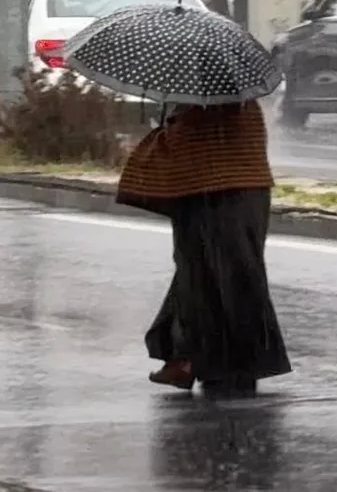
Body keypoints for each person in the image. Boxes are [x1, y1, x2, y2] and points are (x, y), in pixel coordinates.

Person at [116, 99, 292, 395]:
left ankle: (217, 362)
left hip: (208, 195)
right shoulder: (244, 103)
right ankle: (189, 358)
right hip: (249, 195)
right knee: (218, 275)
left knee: (206, 276)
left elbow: (183, 149)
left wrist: (165, 127)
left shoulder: (197, 107)